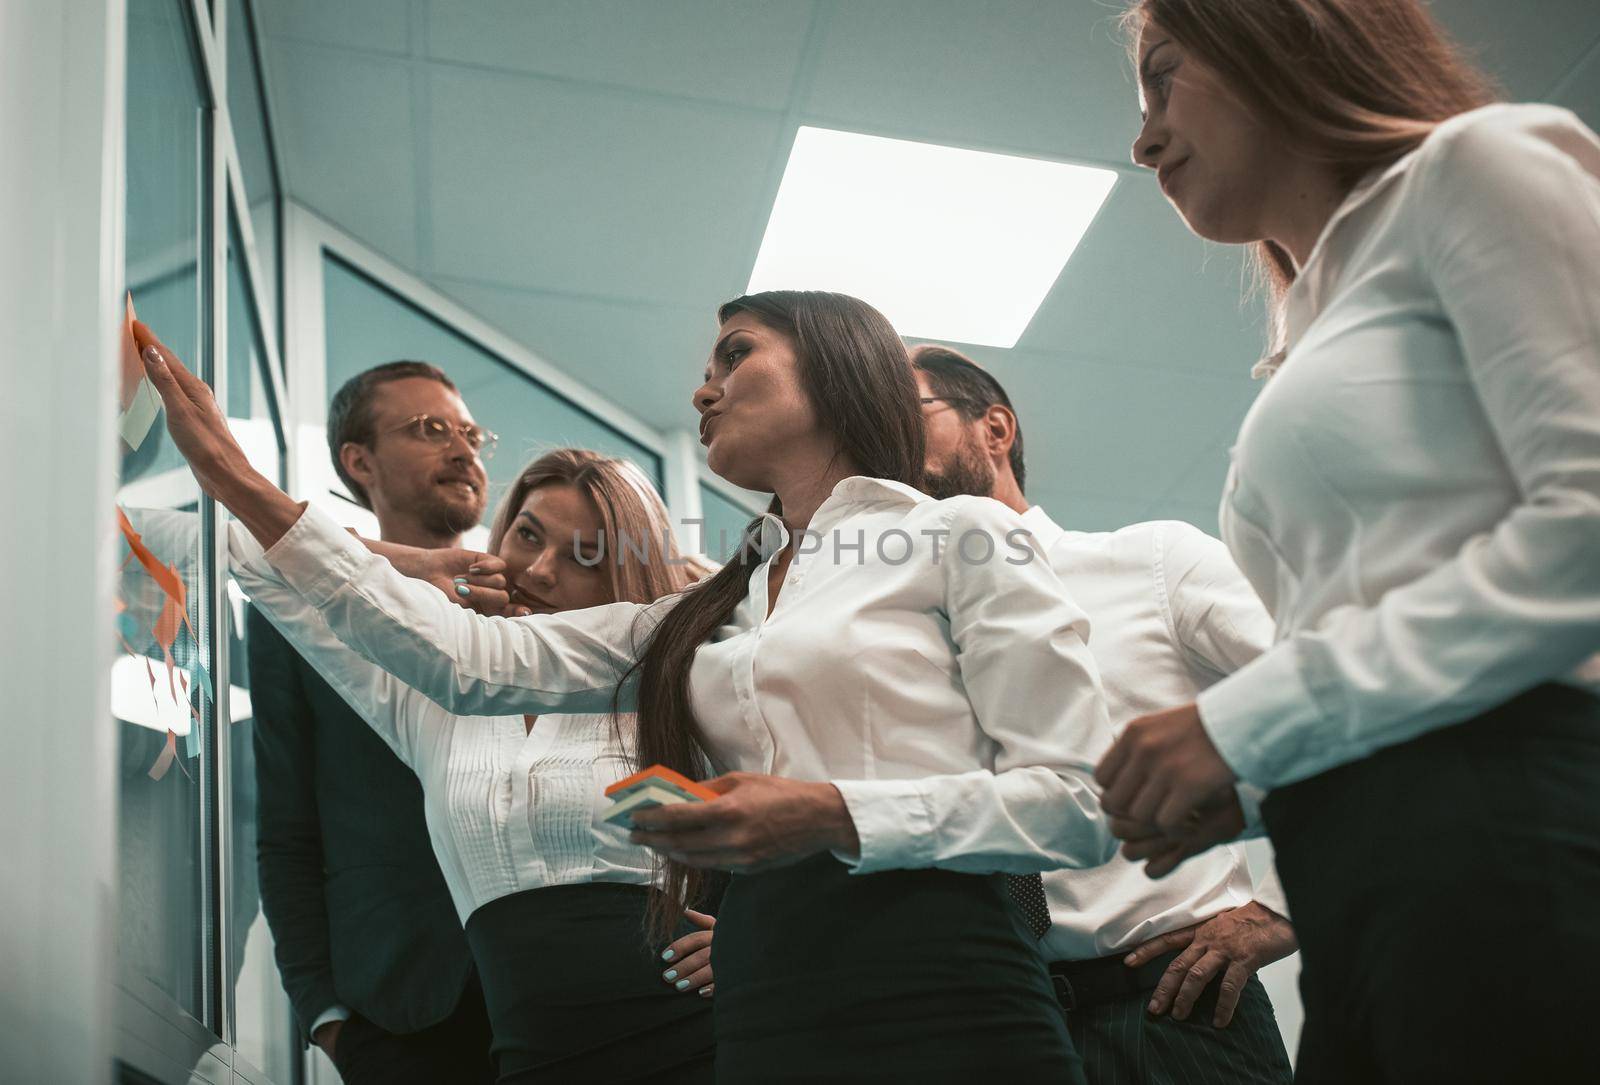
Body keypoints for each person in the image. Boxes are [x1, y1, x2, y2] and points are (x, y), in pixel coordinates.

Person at [132, 290, 1121, 1083]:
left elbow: (1080, 804)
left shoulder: (959, 539)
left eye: (735, 354)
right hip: (763, 1010)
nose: (702, 390)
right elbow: (471, 664)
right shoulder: (711, 613)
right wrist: (236, 480)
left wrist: (827, 813)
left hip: (941, 987)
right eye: (702, 370)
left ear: (836, 363)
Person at [1093, 2, 1600, 1081]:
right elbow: (1374, 619)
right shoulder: (1308, 329)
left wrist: (1246, 720)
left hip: (1512, 826)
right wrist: (1257, 774)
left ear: (1284, 41)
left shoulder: (1483, 164)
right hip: (1364, 868)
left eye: (1165, 79)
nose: (1142, 140)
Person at [140, 446, 719, 1081]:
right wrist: (408, 561)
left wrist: (750, 938)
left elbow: (797, 815)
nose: (543, 570)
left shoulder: (675, 689)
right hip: (525, 1053)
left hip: (687, 1037)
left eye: (587, 555)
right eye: (529, 535)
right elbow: (231, 555)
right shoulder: (435, 692)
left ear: (625, 576)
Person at [913, 343, 1295, 1084]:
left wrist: (1283, 909)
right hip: (995, 1027)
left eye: (905, 411)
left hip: (1174, 1012)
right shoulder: (907, 643)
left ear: (995, 430)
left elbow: (1338, 701)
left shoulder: (1152, 561)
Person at [252, 361, 495, 1083]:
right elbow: (287, 828)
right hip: (400, 1008)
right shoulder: (302, 611)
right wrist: (321, 1008)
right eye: (429, 430)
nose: (463, 449)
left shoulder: (538, 606)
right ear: (359, 461)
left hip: (556, 990)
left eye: (470, 432)